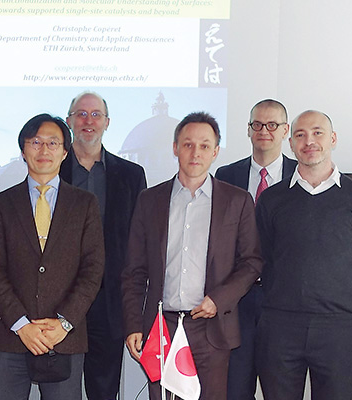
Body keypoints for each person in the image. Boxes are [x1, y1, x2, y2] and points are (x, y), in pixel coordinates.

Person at [121, 112, 262, 400]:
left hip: (212, 328)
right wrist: (134, 325)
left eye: (204, 145)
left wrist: (219, 299)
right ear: (175, 148)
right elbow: (134, 271)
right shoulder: (150, 200)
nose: (195, 153)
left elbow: (252, 261)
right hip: (162, 327)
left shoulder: (237, 201)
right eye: (187, 144)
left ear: (215, 151)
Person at [255, 110, 352, 400]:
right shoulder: (272, 199)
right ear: (291, 143)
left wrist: (345, 303)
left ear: (333, 139)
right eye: (300, 135)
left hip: (338, 328)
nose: (309, 141)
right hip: (280, 327)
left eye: (317, 132)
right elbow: (264, 257)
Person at [0, 113, 105, 400]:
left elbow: (93, 268)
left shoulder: (84, 204)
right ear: (23, 150)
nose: (44, 150)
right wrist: (21, 324)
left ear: (65, 152)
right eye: (36, 142)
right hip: (10, 336)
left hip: (63, 336)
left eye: (53, 143)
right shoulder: (1, 203)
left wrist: (64, 323)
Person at [60, 91, 146, 400]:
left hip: (109, 302)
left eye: (96, 114)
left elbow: (138, 243)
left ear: (107, 123)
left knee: (104, 390)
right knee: (60, 389)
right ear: (69, 121)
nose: (88, 121)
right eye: (81, 114)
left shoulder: (131, 175)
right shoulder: (50, 170)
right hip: (59, 299)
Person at [214, 99, 297, 400]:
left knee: (281, 389)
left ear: (286, 131)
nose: (264, 131)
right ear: (248, 130)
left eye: (272, 124)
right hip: (237, 302)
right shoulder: (226, 175)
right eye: (257, 125)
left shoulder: (301, 177)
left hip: (283, 303)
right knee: (235, 388)